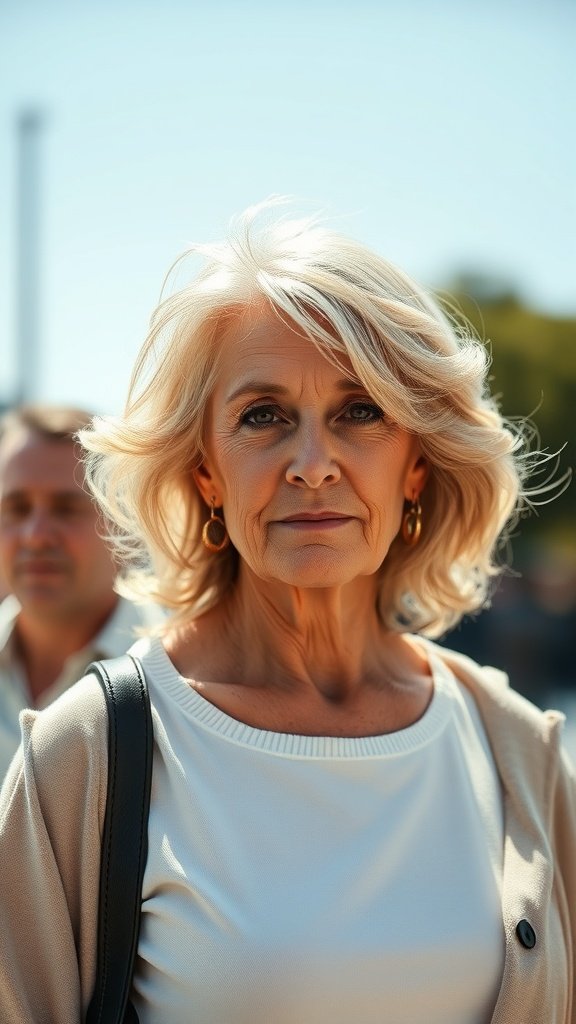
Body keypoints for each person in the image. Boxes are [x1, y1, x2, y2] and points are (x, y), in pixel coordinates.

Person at [0, 201, 574, 1024]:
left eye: (360, 411)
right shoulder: (82, 756)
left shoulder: (520, 750)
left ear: (416, 464)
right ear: (205, 473)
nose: (313, 465)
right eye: (262, 416)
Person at [0, 403, 162, 778]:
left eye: (66, 509)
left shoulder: (178, 675)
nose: (36, 536)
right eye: (17, 508)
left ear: (122, 526)